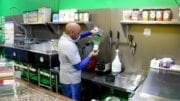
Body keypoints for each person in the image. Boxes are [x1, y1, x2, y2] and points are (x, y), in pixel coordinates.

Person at [58, 22, 99, 101]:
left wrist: (90, 32)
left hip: (66, 76)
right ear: (72, 32)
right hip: (71, 81)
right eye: (78, 32)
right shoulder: (68, 45)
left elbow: (78, 37)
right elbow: (79, 66)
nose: (79, 34)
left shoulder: (64, 37)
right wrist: (90, 55)